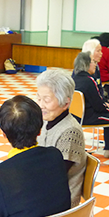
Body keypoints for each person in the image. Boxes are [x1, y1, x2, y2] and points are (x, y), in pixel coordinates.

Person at [36, 69, 87, 206]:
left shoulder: (70, 131)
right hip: (43, 190)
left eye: (46, 100)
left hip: (59, 201)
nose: (41, 105)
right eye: (39, 98)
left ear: (65, 103)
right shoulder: (45, 121)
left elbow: (54, 175)